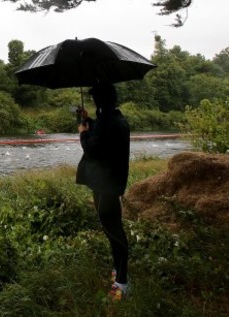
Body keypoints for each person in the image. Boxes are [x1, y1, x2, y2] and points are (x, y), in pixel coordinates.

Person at [76, 82, 131, 301]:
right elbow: (100, 133)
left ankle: (122, 283)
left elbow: (92, 147)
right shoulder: (113, 118)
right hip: (109, 183)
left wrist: (82, 133)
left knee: (113, 231)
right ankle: (118, 272)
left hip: (105, 184)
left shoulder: (109, 122)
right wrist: (87, 120)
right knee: (113, 228)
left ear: (100, 100)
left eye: (95, 98)